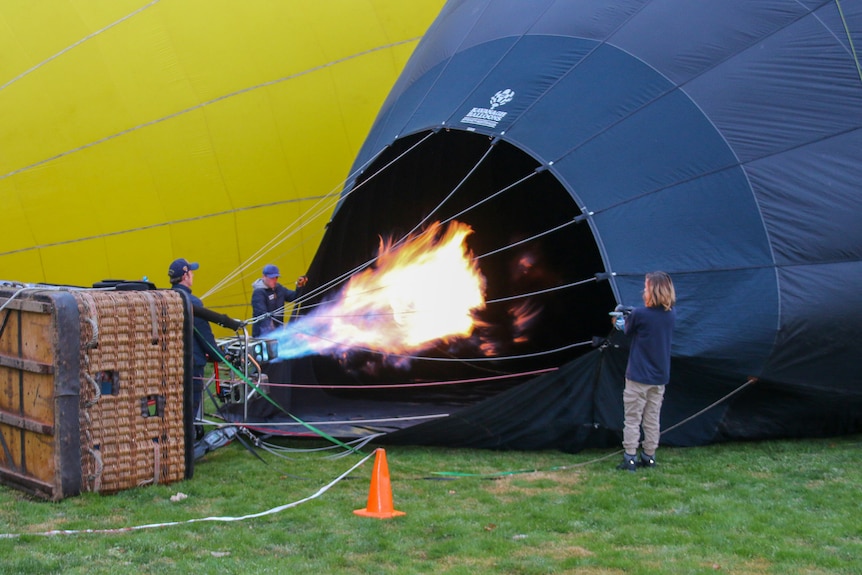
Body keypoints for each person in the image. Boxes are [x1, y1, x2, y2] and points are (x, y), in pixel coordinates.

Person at [616, 271, 676, 472]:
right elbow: (650, 322)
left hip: (638, 376)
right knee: (652, 419)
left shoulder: (639, 315)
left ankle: (630, 458)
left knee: (633, 418)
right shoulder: (670, 314)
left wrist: (619, 320)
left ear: (652, 290)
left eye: (646, 286)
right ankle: (649, 456)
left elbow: (626, 329)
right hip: (659, 377)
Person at [168, 258, 220, 425]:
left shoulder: (166, 299)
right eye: (191, 272)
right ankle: (187, 445)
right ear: (185, 276)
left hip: (171, 364)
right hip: (192, 364)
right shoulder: (193, 302)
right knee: (190, 407)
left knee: (173, 407)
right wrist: (220, 356)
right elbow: (205, 336)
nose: (193, 275)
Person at [250, 264, 308, 337]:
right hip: (263, 336)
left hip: (278, 332)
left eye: (276, 277)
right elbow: (262, 315)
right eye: (271, 278)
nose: (274, 280)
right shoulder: (259, 293)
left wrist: (299, 286)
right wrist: (274, 332)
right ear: (264, 277)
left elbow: (295, 297)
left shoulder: (279, 288)